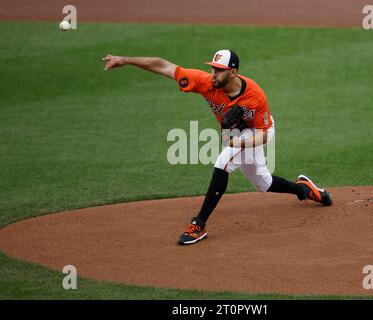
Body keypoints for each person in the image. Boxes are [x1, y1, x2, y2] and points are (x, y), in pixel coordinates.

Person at [103, 49, 332, 245]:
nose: (213, 73)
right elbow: (165, 66)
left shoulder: (255, 96)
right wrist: (126, 60)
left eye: (219, 70)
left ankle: (198, 224)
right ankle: (304, 189)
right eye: (212, 68)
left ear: (232, 72)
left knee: (223, 162)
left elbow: (264, 135)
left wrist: (236, 142)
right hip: (238, 135)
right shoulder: (205, 82)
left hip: (257, 133)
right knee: (263, 183)